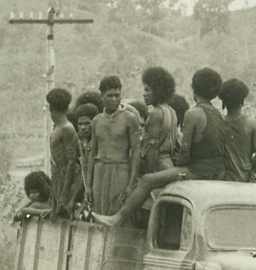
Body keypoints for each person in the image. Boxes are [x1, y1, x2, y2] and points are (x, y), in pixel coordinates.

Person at [100, 68, 228, 227]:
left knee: (147, 180)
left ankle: (117, 218)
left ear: (194, 88)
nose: (144, 93)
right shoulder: (215, 114)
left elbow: (185, 150)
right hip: (216, 169)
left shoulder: (192, 113)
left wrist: (174, 165)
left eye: (147, 89)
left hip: (196, 170)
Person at [86, 75, 140, 215]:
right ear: (102, 96)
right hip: (99, 171)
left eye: (117, 95)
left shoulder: (130, 119)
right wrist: (88, 185)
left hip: (120, 171)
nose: (114, 99)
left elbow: (135, 151)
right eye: (109, 96)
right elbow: (92, 154)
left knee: (118, 213)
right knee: (98, 213)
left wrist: (131, 184)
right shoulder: (96, 121)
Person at [139, 67, 179, 175]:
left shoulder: (155, 113)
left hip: (157, 165)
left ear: (158, 91)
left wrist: (149, 173)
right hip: (169, 164)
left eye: (147, 90)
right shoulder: (171, 111)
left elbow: (153, 147)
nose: (144, 94)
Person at [220, 78, 256, 182]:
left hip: (223, 180)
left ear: (224, 103)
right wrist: (249, 168)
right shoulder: (252, 124)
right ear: (242, 101)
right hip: (245, 180)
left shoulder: (219, 124)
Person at [45, 88, 79, 216]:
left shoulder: (67, 128)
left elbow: (71, 162)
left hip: (65, 181)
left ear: (52, 109)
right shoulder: (58, 128)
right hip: (57, 180)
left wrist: (65, 193)